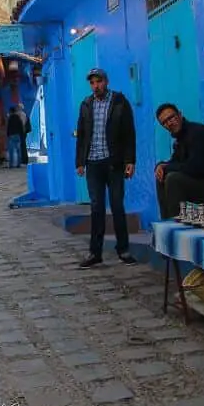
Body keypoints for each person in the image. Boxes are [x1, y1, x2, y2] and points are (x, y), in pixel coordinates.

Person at [75, 68, 137, 267]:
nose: (96, 86)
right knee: (96, 207)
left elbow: (129, 133)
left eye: (99, 81)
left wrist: (130, 161)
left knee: (117, 206)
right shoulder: (86, 104)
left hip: (113, 162)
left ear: (106, 82)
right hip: (93, 163)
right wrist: (79, 162)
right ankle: (95, 253)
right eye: (92, 83)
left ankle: (123, 250)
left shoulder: (119, 102)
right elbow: (82, 135)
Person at [154, 103, 204, 219]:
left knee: (173, 179)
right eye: (164, 122)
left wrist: (166, 167)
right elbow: (174, 163)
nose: (169, 123)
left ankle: (176, 226)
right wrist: (161, 166)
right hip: (202, 183)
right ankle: (166, 224)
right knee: (161, 177)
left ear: (180, 114)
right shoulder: (180, 139)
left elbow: (196, 168)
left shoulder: (197, 133)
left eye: (171, 117)